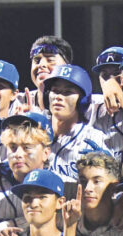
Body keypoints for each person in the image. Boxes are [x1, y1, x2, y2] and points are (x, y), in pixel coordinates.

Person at [43, 64, 109, 192]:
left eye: (67, 92)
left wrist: (110, 169)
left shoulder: (94, 138)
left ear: (82, 101)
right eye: (55, 91)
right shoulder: (37, 135)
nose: (58, 97)